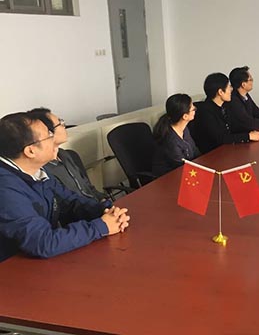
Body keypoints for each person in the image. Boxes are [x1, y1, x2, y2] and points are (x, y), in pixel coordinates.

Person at [0, 112, 130, 262]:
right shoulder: (6, 189)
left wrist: (106, 212)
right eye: (49, 136)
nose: (54, 138)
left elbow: (70, 202)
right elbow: (43, 242)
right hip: (13, 268)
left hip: (40, 261)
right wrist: (100, 227)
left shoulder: (37, 171)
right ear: (30, 151)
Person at [27, 108, 111, 203]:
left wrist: (103, 201)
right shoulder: (41, 169)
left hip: (97, 206)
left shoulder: (64, 154)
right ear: (47, 132)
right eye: (60, 123)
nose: (64, 126)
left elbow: (87, 186)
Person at [188, 73, 259, 154]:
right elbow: (220, 138)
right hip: (212, 154)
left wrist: (250, 132)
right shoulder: (205, 112)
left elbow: (234, 126)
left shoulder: (225, 106)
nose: (231, 89)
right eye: (228, 87)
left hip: (226, 150)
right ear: (220, 92)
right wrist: (247, 136)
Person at [152, 93, 200, 177]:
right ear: (185, 116)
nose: (195, 109)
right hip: (169, 178)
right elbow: (180, 165)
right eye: (193, 109)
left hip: (185, 172)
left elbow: (194, 151)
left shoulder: (184, 129)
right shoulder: (170, 140)